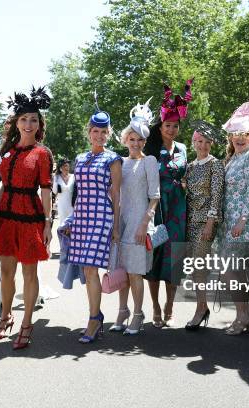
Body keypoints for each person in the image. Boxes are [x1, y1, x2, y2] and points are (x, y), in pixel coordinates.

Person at [0, 87, 53, 349]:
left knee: (29, 272)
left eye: (34, 120)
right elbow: (2, 181)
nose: (28, 124)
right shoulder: (8, 150)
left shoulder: (42, 153)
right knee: (6, 272)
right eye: (24, 119)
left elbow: (46, 190)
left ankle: (27, 322)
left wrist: (48, 223)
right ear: (16, 122)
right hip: (5, 215)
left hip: (30, 216)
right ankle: (6, 317)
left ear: (39, 125)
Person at [69, 98, 122, 343]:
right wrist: (71, 219)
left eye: (103, 132)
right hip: (81, 217)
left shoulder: (113, 159)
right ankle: (95, 316)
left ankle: (93, 319)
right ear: (89, 133)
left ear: (108, 134)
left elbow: (116, 194)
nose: (99, 135)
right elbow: (77, 191)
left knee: (92, 267)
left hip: (102, 217)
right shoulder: (80, 158)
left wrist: (116, 226)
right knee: (87, 270)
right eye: (95, 131)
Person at [143, 79, 192, 328]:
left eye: (175, 125)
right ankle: (154, 307)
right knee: (154, 258)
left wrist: (185, 184)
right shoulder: (150, 148)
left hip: (178, 210)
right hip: (156, 209)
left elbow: (187, 174)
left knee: (174, 260)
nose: (171, 129)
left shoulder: (183, 149)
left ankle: (170, 307)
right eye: (167, 125)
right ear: (160, 126)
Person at [109, 99, 159, 335]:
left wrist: (144, 224)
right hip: (121, 222)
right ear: (125, 139)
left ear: (144, 141)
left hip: (140, 224)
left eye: (140, 139)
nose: (136, 143)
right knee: (121, 271)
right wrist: (114, 224)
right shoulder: (119, 162)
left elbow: (155, 197)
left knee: (135, 273)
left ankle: (138, 314)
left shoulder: (149, 161)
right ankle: (122, 310)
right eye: (132, 138)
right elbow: (114, 194)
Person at [217, 102, 249, 335]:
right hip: (229, 222)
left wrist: (242, 220)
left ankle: (243, 316)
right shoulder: (232, 159)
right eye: (234, 134)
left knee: (229, 270)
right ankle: (243, 316)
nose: (239, 138)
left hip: (242, 221)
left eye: (244, 134)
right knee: (236, 270)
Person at [183, 120, 224, 330]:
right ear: (193, 142)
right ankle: (202, 306)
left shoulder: (215, 164)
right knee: (195, 268)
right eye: (199, 141)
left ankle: (201, 309)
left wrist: (210, 222)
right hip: (190, 222)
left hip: (205, 223)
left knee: (200, 267)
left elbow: (216, 195)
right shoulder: (190, 166)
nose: (203, 145)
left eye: (207, 142)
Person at [52, 158, 75, 225]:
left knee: (72, 224)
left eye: (68, 166)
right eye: (65, 166)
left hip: (72, 205)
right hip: (62, 205)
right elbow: (54, 191)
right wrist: (55, 180)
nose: (67, 167)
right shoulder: (57, 177)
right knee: (63, 224)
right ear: (60, 167)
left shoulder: (73, 177)